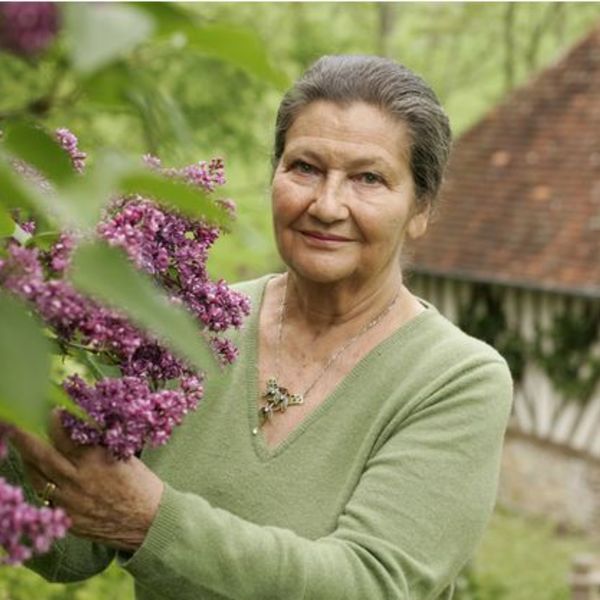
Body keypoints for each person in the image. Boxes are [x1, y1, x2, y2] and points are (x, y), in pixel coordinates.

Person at [5, 55, 513, 599]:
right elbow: (73, 545)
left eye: (368, 178)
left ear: (421, 209)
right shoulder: (185, 325)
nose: (326, 204)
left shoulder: (456, 379)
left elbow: (372, 585)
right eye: (305, 168)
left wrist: (150, 521)